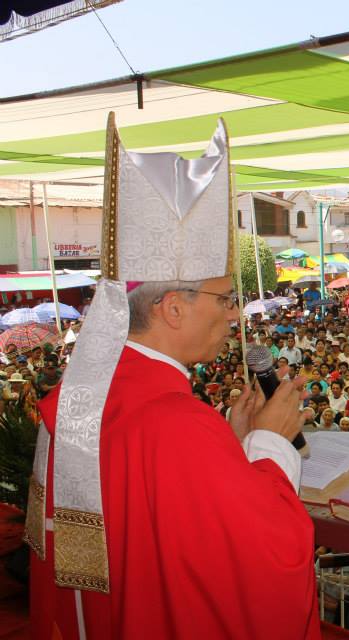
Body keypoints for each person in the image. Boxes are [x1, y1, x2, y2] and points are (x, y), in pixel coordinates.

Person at [26, 118, 321, 639]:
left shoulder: (80, 397)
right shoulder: (175, 424)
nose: (234, 316)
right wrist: (270, 444)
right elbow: (264, 558)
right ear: (173, 309)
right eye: (225, 299)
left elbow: (158, 508)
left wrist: (229, 447)